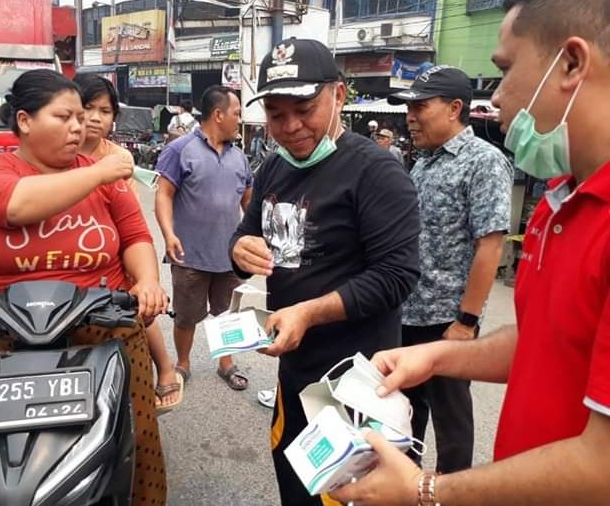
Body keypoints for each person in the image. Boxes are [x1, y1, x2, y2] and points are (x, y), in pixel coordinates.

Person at [330, 0, 610, 504]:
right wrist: (437, 357)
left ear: (571, 63)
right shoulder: (561, 199)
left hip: (447, 313)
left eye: (504, 70)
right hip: (420, 321)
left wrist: (428, 491)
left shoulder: (490, 165)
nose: (497, 97)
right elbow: (550, 340)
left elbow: (601, 466)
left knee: (453, 430)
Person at [230, 38, 420, 506]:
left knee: (345, 497)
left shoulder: (375, 171)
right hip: (294, 375)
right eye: (276, 114)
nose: (291, 126)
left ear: (338, 95)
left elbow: (397, 275)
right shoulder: (273, 167)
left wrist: (309, 313)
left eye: (305, 107)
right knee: (294, 484)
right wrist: (239, 249)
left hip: (353, 387)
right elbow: (244, 236)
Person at [0, 69, 168, 504]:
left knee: (134, 439)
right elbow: (16, 206)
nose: (79, 126)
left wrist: (148, 279)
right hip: (8, 334)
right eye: (65, 116)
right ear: (24, 120)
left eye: (83, 117)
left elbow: (134, 235)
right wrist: (98, 173)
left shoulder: (101, 175)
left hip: (103, 325)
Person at [385, 65, 513, 473]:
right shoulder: (423, 162)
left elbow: (489, 247)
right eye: (408, 107)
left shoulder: (483, 162)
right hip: (407, 312)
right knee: (404, 413)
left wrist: (466, 321)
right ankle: (406, 485)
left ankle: (452, 491)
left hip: (446, 321)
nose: (410, 116)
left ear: (455, 108)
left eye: (420, 106)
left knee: (452, 421)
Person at [73, 73, 183, 412]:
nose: (94, 117)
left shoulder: (119, 157)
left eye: (104, 111)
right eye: (87, 107)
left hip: (114, 245)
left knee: (143, 309)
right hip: (72, 252)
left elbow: (131, 219)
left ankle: (164, 368)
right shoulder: (58, 150)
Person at [155, 85, 253, 391]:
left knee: (227, 315)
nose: (240, 119)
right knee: (186, 316)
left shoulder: (240, 158)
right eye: (237, 113)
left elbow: (249, 202)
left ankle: (226, 364)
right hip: (190, 254)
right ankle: (182, 363)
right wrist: (169, 234)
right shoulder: (181, 149)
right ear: (218, 114)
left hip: (229, 257)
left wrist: (254, 238)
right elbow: (164, 195)